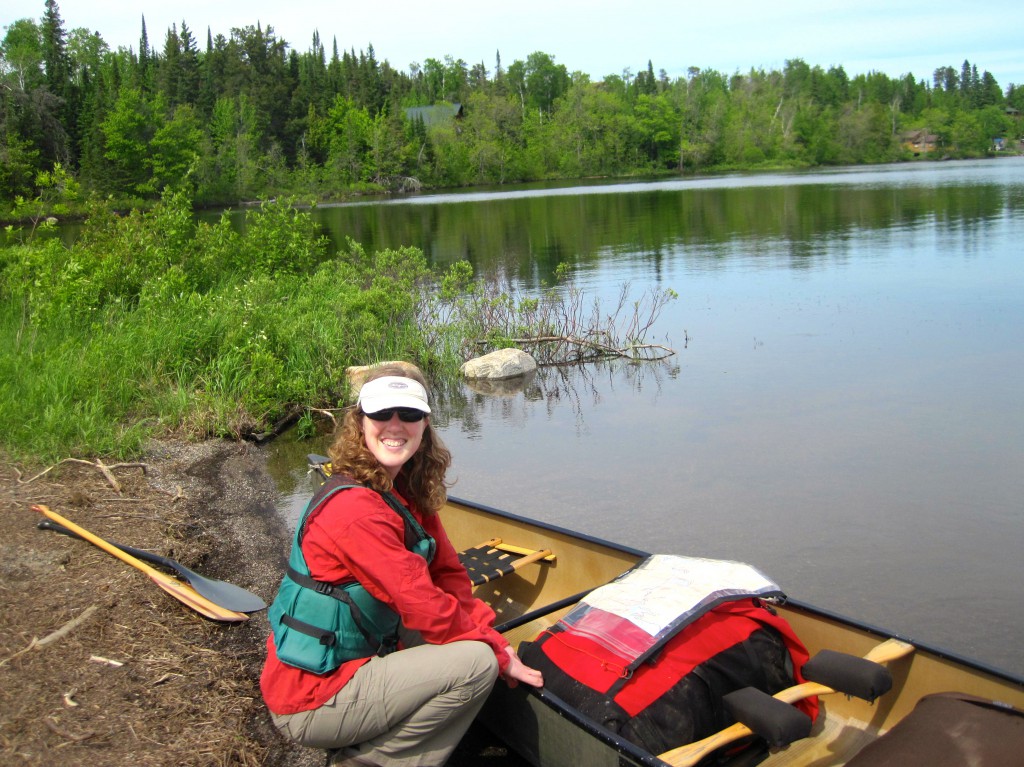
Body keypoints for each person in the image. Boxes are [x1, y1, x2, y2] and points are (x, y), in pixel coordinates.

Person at [261, 362, 543, 767]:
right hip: (311, 695)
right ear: (361, 422)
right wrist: (496, 651)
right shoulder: (356, 509)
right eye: (381, 414)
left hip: (351, 654)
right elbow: (423, 603)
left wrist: (485, 628)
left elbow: (448, 575)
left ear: (425, 423)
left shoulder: (403, 486)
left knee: (469, 636)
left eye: (409, 414)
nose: (395, 425)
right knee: (476, 664)